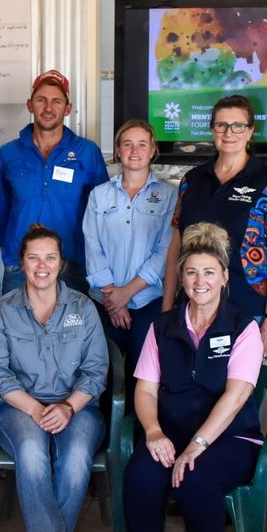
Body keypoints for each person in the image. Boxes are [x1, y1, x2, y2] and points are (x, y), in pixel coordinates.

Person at [123, 221, 264, 532]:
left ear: (223, 277)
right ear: (181, 277)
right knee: (141, 475)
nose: (199, 281)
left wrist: (197, 445)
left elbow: (236, 396)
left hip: (231, 436)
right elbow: (145, 391)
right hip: (169, 432)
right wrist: (152, 431)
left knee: (196, 480)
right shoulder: (162, 326)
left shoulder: (243, 327)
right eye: (190, 272)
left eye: (208, 272)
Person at [0, 224, 108, 532]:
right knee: (33, 456)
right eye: (33, 257)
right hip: (20, 407)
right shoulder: (2, 312)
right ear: (21, 262)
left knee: (76, 457)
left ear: (61, 263)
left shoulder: (83, 308)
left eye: (49, 257)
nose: (41, 265)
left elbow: (97, 370)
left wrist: (68, 407)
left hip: (78, 407)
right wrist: (37, 408)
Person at [161, 95, 267, 358]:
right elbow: (175, 250)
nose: (229, 133)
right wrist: (168, 308)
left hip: (246, 309)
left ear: (250, 131)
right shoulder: (192, 180)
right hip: (192, 306)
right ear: (212, 129)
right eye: (221, 125)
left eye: (238, 126)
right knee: (187, 388)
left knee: (239, 394)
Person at [82, 119, 175, 399]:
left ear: (152, 151)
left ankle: (135, 438)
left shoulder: (169, 195)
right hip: (104, 301)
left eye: (142, 144)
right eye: (127, 144)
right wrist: (113, 297)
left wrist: (127, 294)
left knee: (143, 378)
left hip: (148, 302)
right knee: (102, 375)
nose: (135, 151)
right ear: (118, 151)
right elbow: (92, 244)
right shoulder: (99, 195)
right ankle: (103, 437)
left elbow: (165, 251)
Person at [0, 70, 108, 295]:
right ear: (30, 105)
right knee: (16, 328)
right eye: (41, 100)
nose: (48, 108)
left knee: (72, 329)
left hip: (72, 262)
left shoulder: (87, 153)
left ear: (67, 108)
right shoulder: (7, 154)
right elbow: (1, 209)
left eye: (56, 101)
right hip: (20, 263)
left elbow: (102, 213)